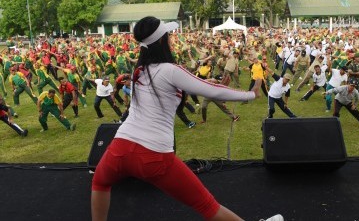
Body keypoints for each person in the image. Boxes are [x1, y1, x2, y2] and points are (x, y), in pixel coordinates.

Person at [91, 16, 282, 221]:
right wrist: (251, 94)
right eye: (168, 36)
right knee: (207, 205)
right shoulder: (170, 70)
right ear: (162, 41)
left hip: (120, 147)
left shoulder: (139, 70)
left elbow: (168, 86)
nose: (172, 39)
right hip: (154, 155)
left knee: (100, 184)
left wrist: (197, 81)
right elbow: (213, 91)